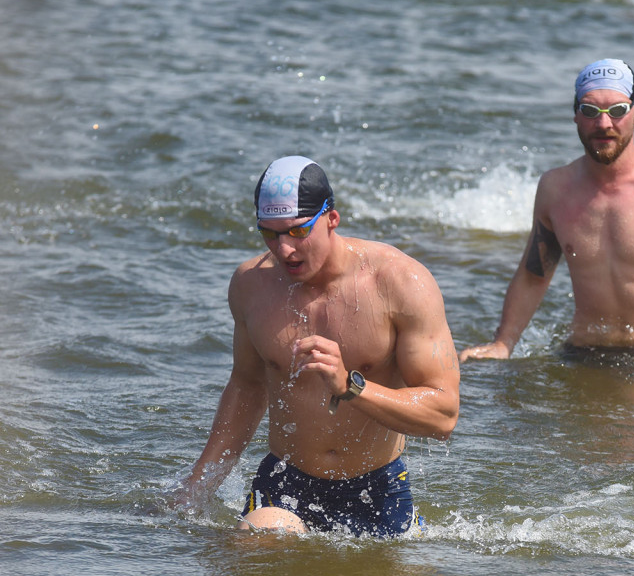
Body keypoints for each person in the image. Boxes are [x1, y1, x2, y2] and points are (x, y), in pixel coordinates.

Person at [175, 156, 459, 536]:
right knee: (260, 538)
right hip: (285, 482)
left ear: (332, 219)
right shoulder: (250, 286)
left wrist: (351, 387)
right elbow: (247, 387)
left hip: (377, 489)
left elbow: (443, 415)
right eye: (269, 234)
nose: (284, 250)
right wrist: (195, 489)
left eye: (297, 232)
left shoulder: (400, 283)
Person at [459, 59, 634, 381]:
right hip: (580, 354)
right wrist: (503, 344)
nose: (604, 124)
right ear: (576, 114)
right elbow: (534, 275)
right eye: (591, 111)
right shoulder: (555, 188)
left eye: (617, 110)